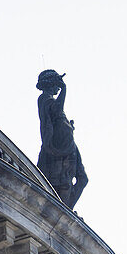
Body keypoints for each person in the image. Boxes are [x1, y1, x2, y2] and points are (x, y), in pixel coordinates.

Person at [36, 70, 88, 209]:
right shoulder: (44, 98)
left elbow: (57, 116)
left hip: (68, 144)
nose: (58, 88)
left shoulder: (49, 100)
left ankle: (68, 208)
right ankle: (65, 209)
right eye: (57, 84)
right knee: (63, 181)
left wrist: (68, 127)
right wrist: (65, 90)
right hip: (59, 146)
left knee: (82, 179)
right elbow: (57, 109)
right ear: (50, 83)